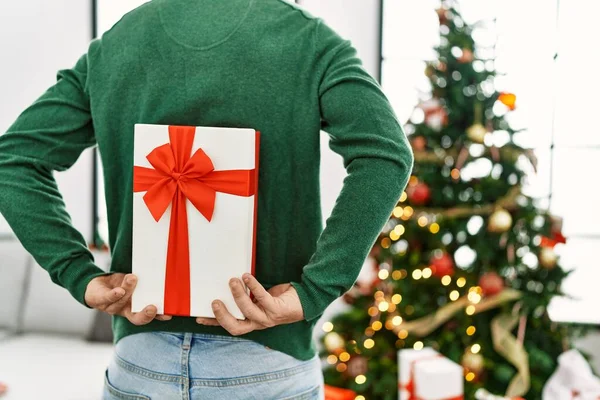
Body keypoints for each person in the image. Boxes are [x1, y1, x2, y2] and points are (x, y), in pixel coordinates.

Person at [0, 0, 414, 399]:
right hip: (268, 366)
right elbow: (386, 153)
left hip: (140, 367)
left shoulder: (116, 43)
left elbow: (13, 160)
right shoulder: (309, 40)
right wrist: (313, 290)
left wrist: (80, 275)